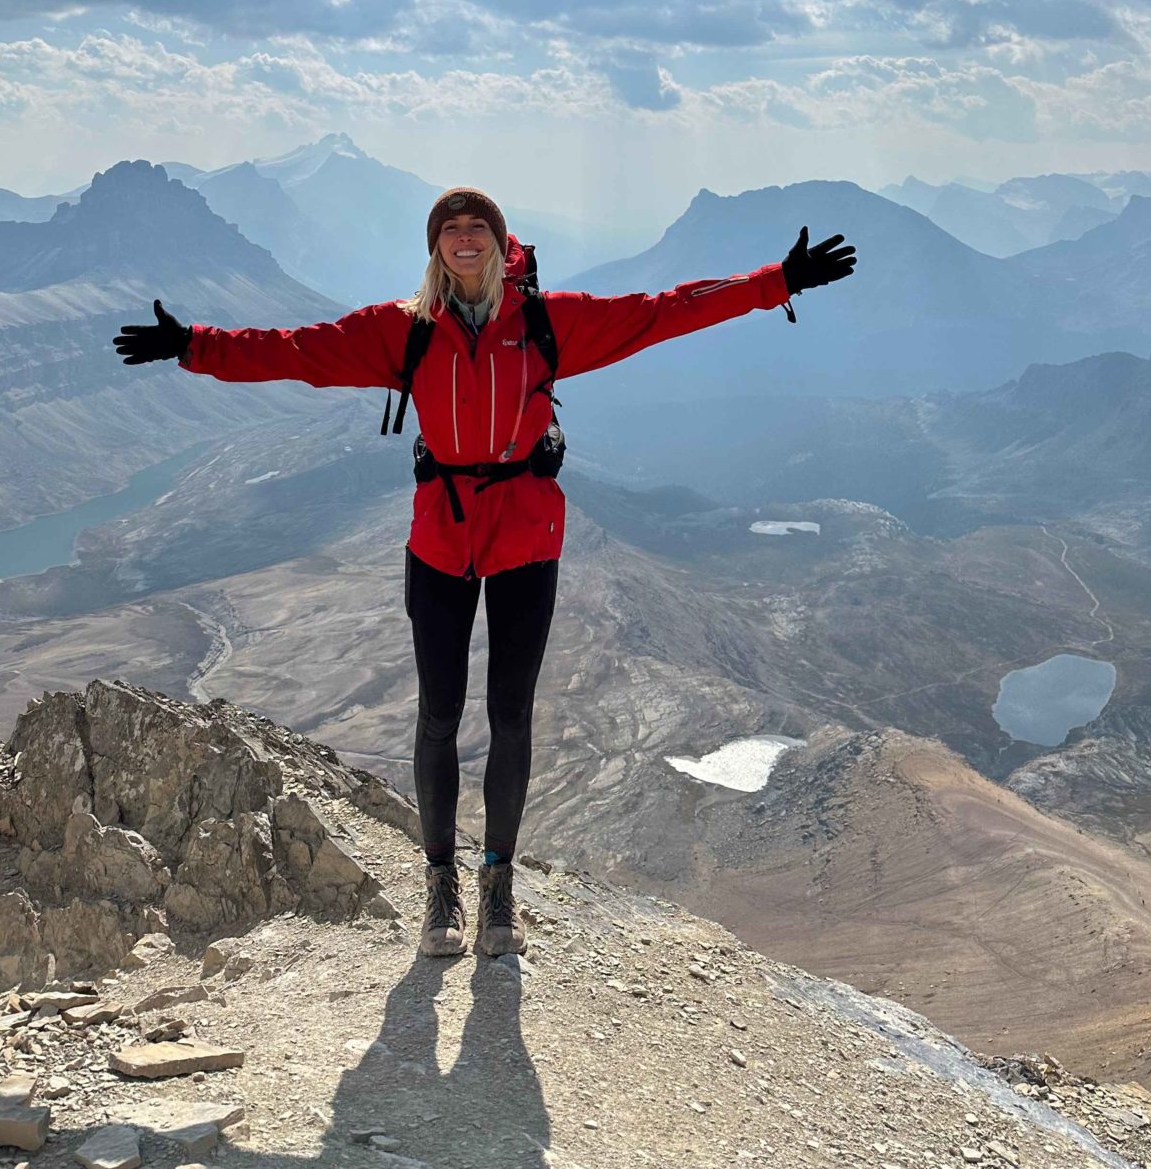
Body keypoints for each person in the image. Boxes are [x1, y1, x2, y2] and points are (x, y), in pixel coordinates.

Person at [113, 186, 856, 960]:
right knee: (438, 713)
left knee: (510, 714)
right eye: (451, 230)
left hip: (526, 535)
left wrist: (778, 281)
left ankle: (498, 883)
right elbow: (296, 350)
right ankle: (441, 884)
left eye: (479, 229)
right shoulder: (402, 330)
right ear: (435, 246)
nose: (465, 240)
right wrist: (193, 345)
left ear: (502, 245)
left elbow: (661, 311)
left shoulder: (545, 321)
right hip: (441, 537)